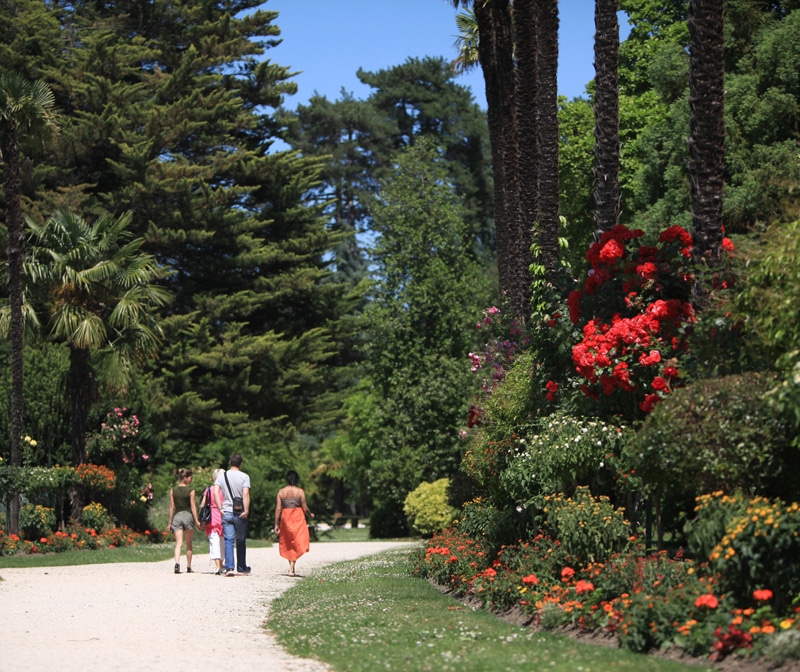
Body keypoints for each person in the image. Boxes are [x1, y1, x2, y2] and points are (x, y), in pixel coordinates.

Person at [214, 453, 251, 577]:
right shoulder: (244, 476)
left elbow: (215, 492)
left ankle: (229, 567)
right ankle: (241, 568)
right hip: (240, 512)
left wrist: (220, 508)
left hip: (226, 511)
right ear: (241, 464)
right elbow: (245, 494)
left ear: (230, 462)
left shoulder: (222, 476)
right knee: (240, 540)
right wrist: (246, 510)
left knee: (228, 540)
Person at [274, 469, 314, 577]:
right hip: (297, 517)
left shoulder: (281, 492)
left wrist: (276, 523)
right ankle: (292, 567)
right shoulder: (300, 492)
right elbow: (305, 508)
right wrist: (310, 515)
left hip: (286, 517)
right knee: (298, 540)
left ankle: (291, 566)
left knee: (288, 541)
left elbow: (278, 509)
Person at [167, 468, 201, 574]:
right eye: (190, 478)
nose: (191, 480)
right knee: (188, 543)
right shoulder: (191, 490)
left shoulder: (173, 490)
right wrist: (197, 521)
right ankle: (189, 567)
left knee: (178, 543)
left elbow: (172, 507)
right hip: (187, 516)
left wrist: (170, 522)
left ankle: (177, 563)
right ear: (185, 478)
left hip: (177, 516)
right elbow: (193, 507)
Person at [198, 468, 226, 574]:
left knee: (214, 542)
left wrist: (201, 517)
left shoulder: (209, 489)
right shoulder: (225, 490)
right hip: (223, 517)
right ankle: (222, 565)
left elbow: (202, 504)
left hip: (212, 519)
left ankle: (218, 566)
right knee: (222, 542)